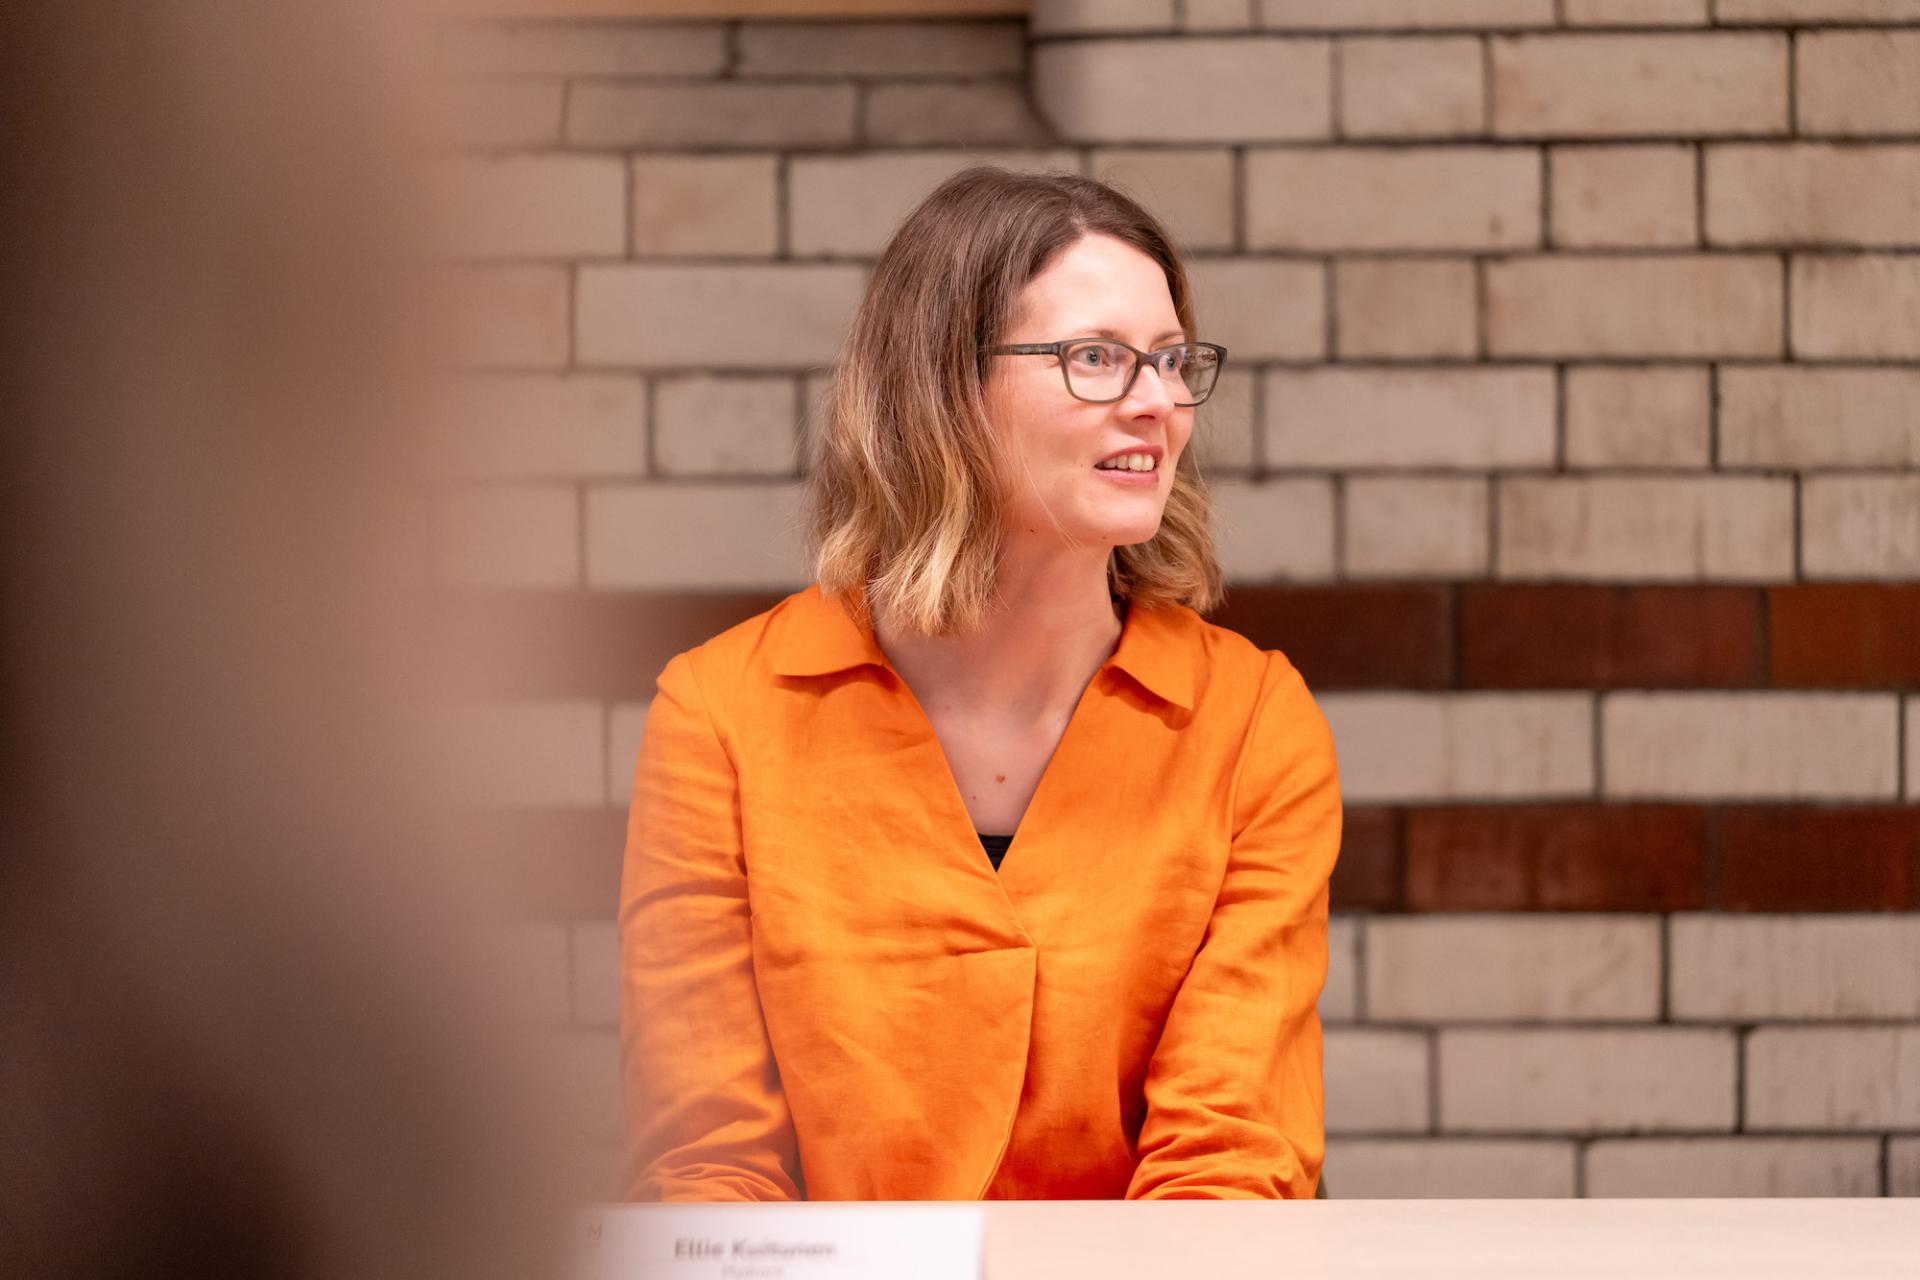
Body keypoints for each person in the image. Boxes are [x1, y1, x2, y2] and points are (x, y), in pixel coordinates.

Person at [619, 167, 1341, 1202]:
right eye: (1098, 357)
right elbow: (708, 1165)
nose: (1160, 403)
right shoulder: (723, 716)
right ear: (944, 386)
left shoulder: (1252, 723)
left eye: (1174, 360)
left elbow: (1227, 1161)